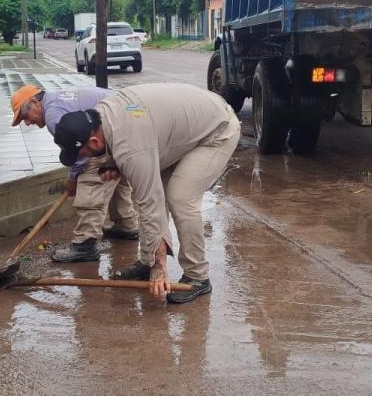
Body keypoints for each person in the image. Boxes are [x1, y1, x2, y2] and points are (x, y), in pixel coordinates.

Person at [52, 83, 240, 303]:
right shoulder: (102, 113)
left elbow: (150, 201)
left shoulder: (131, 148)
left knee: (180, 198)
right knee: (150, 190)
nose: (84, 158)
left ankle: (197, 276)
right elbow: (129, 144)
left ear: (94, 141)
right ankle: (147, 262)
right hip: (182, 131)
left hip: (217, 131)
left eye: (82, 152)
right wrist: (114, 162)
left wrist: (160, 266)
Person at [10, 84, 138, 262]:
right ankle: (126, 225)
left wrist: (73, 179)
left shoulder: (53, 116)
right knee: (115, 175)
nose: (27, 122)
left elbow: (80, 154)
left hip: (114, 127)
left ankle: (85, 244)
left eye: (25, 116)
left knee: (91, 181)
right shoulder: (56, 97)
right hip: (128, 121)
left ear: (35, 102)